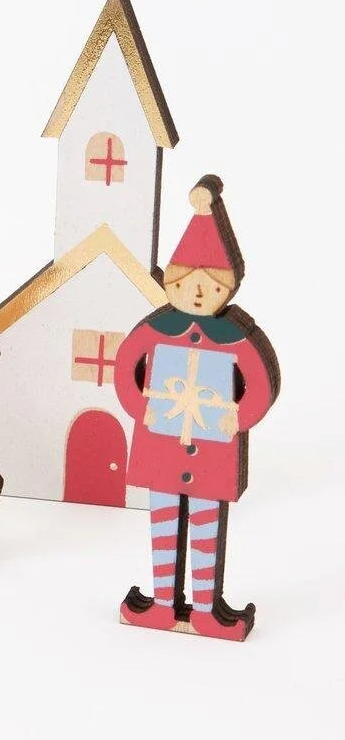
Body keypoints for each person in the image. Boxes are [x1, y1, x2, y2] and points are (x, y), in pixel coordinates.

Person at [113, 176, 280, 641]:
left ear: (228, 287)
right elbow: (126, 367)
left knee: (206, 524)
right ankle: (163, 604)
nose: (199, 293)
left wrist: (236, 418)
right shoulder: (157, 330)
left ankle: (205, 609)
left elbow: (261, 386)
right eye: (188, 283)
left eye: (211, 284)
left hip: (213, 449)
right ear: (173, 282)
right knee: (164, 521)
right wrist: (140, 407)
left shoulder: (235, 337)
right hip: (161, 444)